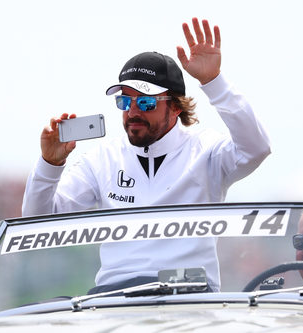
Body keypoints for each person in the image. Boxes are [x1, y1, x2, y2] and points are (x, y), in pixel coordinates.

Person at [22, 18, 271, 293]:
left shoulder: (207, 151)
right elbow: (38, 223)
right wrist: (50, 164)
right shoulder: (102, 159)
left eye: (146, 101)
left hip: (192, 299)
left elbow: (256, 148)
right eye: (124, 101)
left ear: (176, 107)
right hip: (115, 299)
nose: (133, 112)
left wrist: (214, 82)